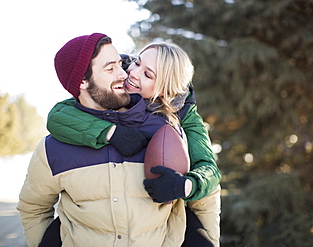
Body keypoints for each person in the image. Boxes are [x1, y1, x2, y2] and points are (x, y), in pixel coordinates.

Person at [17, 33, 188, 247]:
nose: (124, 73)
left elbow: (186, 205)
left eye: (120, 64)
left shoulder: (165, 130)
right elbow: (33, 208)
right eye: (110, 68)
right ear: (82, 81)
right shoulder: (52, 148)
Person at [46, 42, 222, 246]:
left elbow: (209, 169)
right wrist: (111, 133)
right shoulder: (116, 81)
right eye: (137, 62)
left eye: (148, 75)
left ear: (165, 89)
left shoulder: (184, 115)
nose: (133, 73)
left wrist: (184, 185)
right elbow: (59, 115)